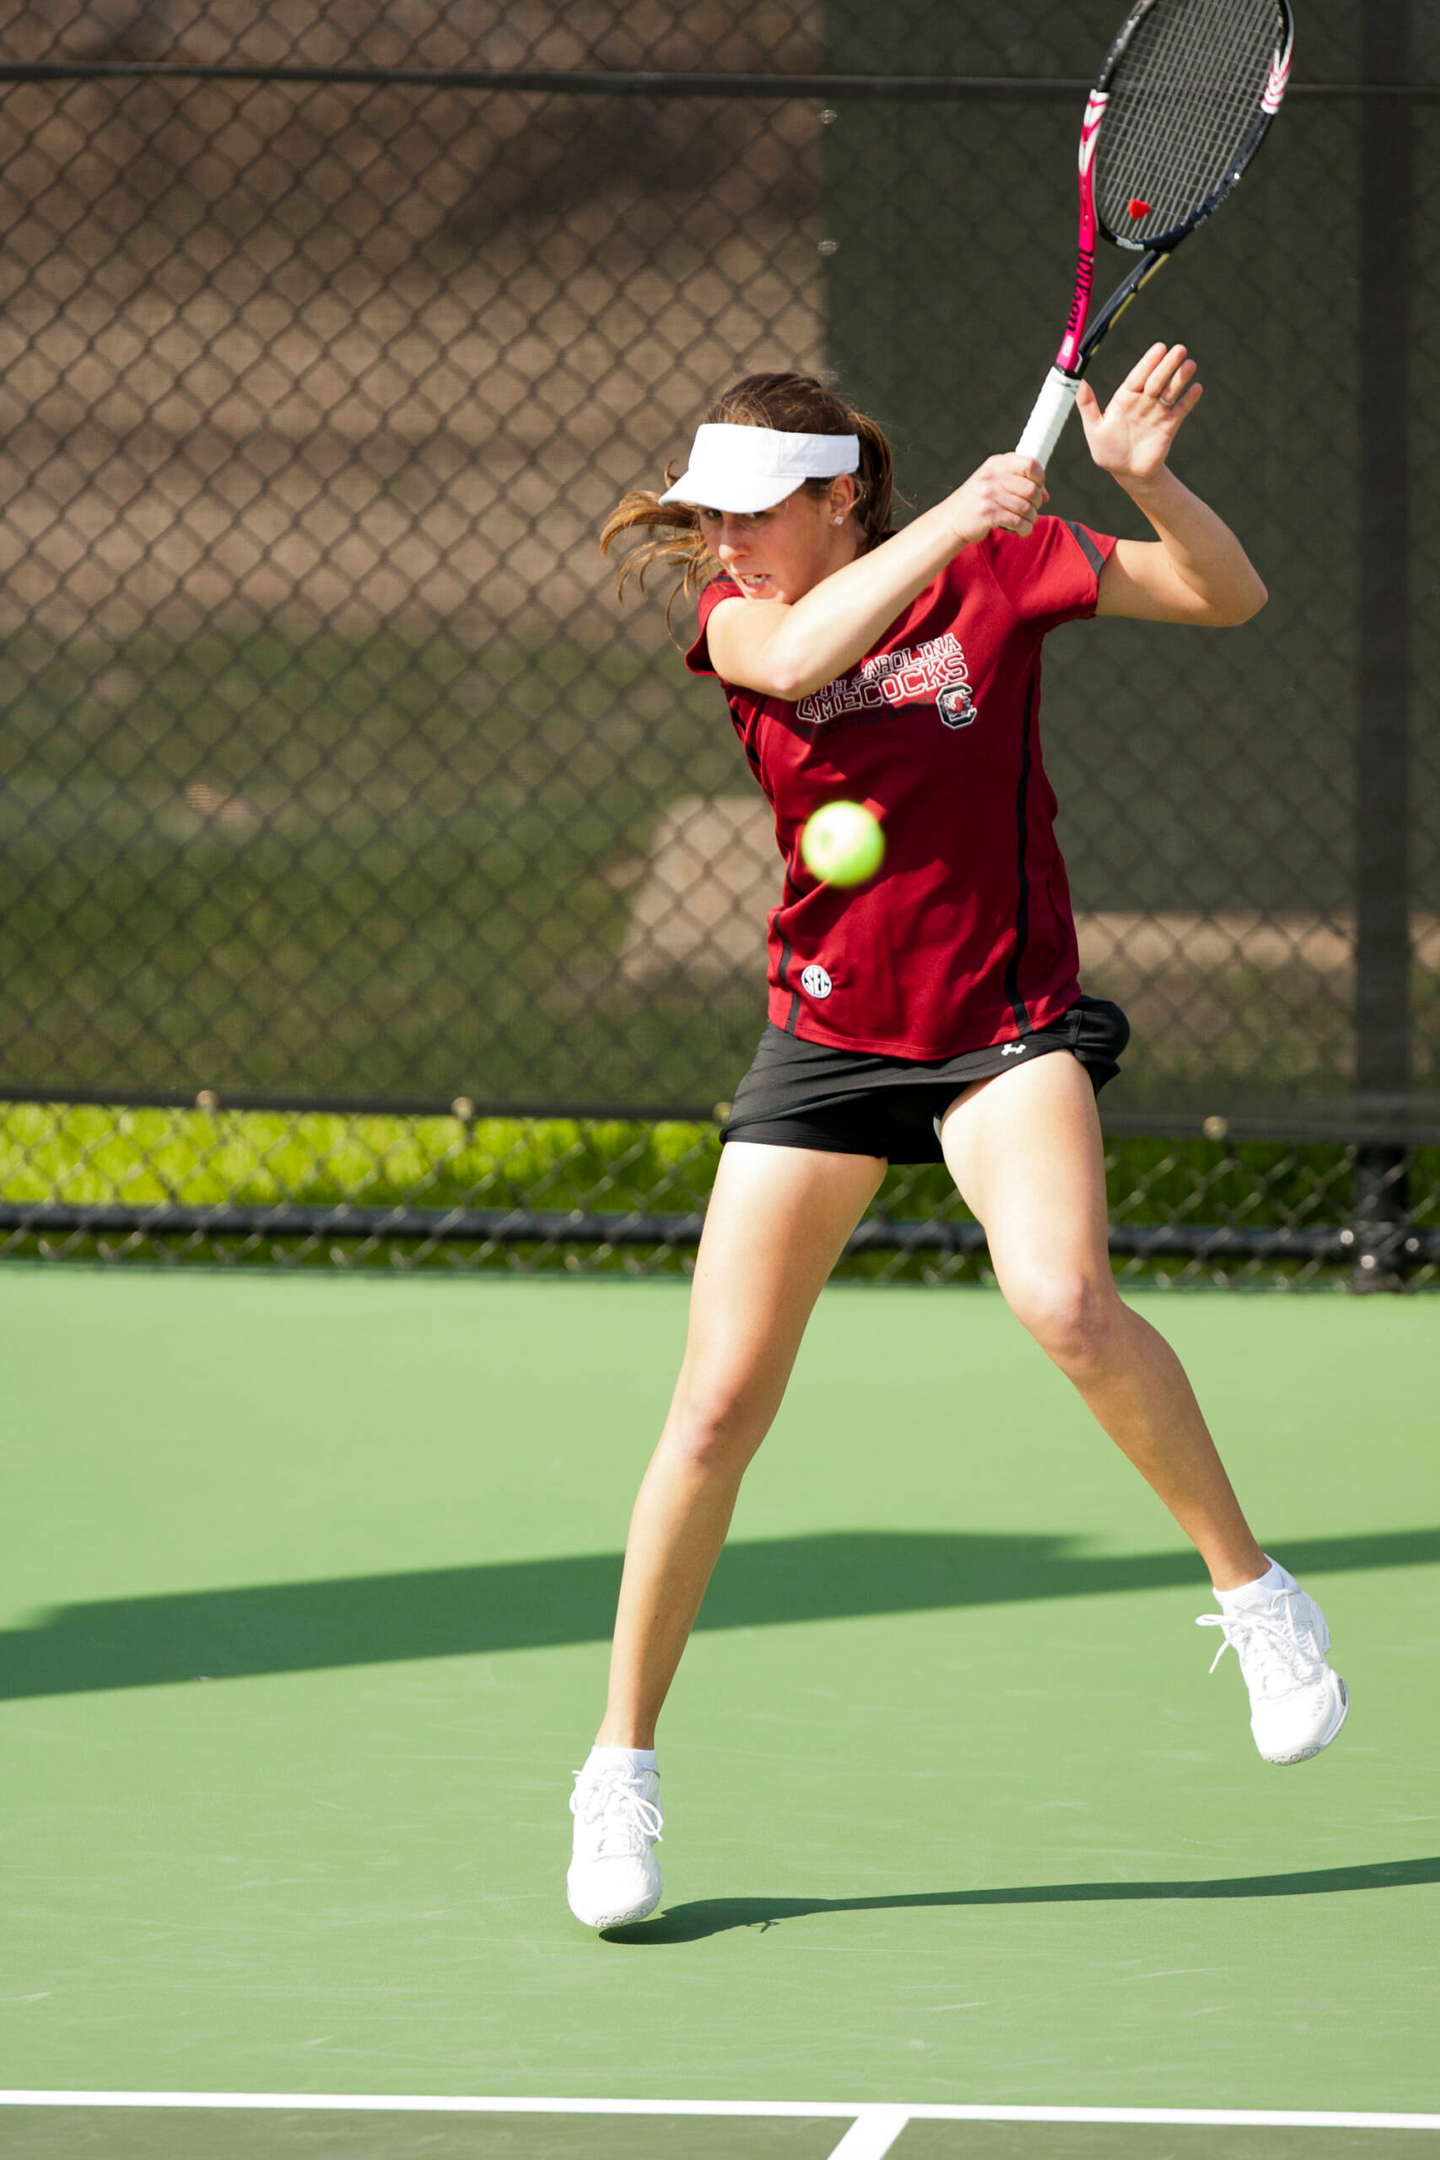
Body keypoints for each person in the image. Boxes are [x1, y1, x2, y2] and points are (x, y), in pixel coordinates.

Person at [566, 350, 1347, 1932]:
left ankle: (1260, 1600)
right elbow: (792, 663)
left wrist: (1139, 476)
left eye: (757, 510)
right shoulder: (742, 619)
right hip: (830, 1035)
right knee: (714, 1407)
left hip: (1002, 1023)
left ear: (838, 488)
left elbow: (1227, 596)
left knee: (1063, 1302)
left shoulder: (1001, 568)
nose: (728, 543)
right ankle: (618, 1774)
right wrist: (951, 529)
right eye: (711, 518)